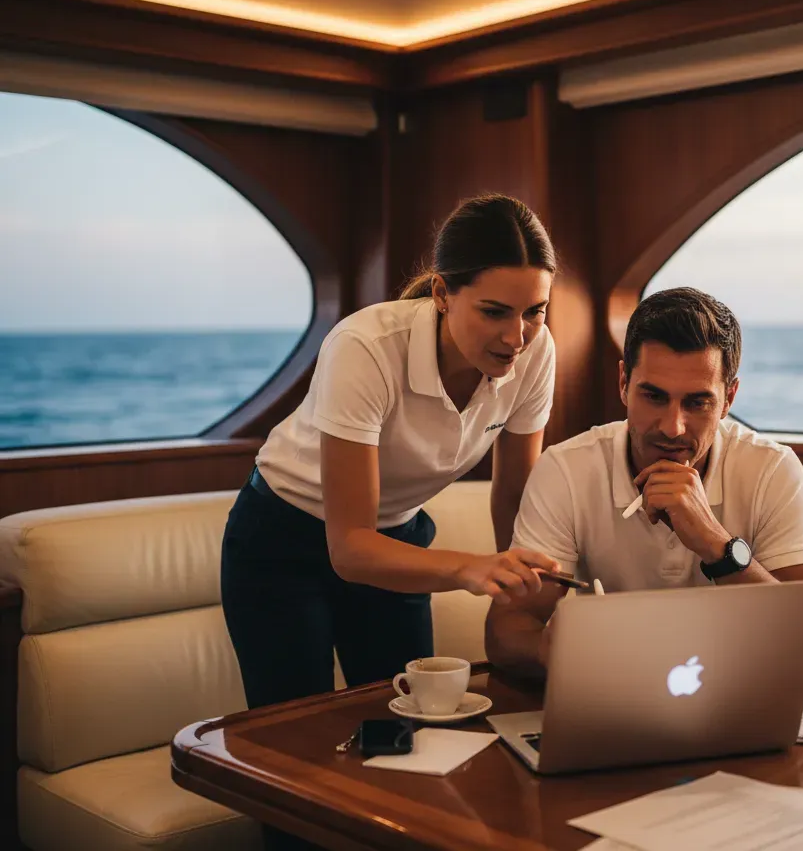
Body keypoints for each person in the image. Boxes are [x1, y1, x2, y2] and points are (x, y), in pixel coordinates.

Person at [221, 194, 563, 718]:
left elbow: (514, 493)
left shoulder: (536, 352)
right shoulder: (366, 346)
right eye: (494, 312)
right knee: (295, 735)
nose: (516, 337)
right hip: (282, 543)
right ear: (444, 293)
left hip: (398, 541)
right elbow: (351, 548)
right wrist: (471, 568)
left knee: (412, 725)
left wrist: (520, 599)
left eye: (534, 312)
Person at [486, 287, 803, 684]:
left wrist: (716, 546)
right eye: (653, 396)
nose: (673, 427)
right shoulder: (567, 470)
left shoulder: (772, 470)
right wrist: (547, 650)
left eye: (697, 402)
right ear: (623, 383)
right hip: (610, 697)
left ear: (729, 399)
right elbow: (506, 629)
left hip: (738, 696)